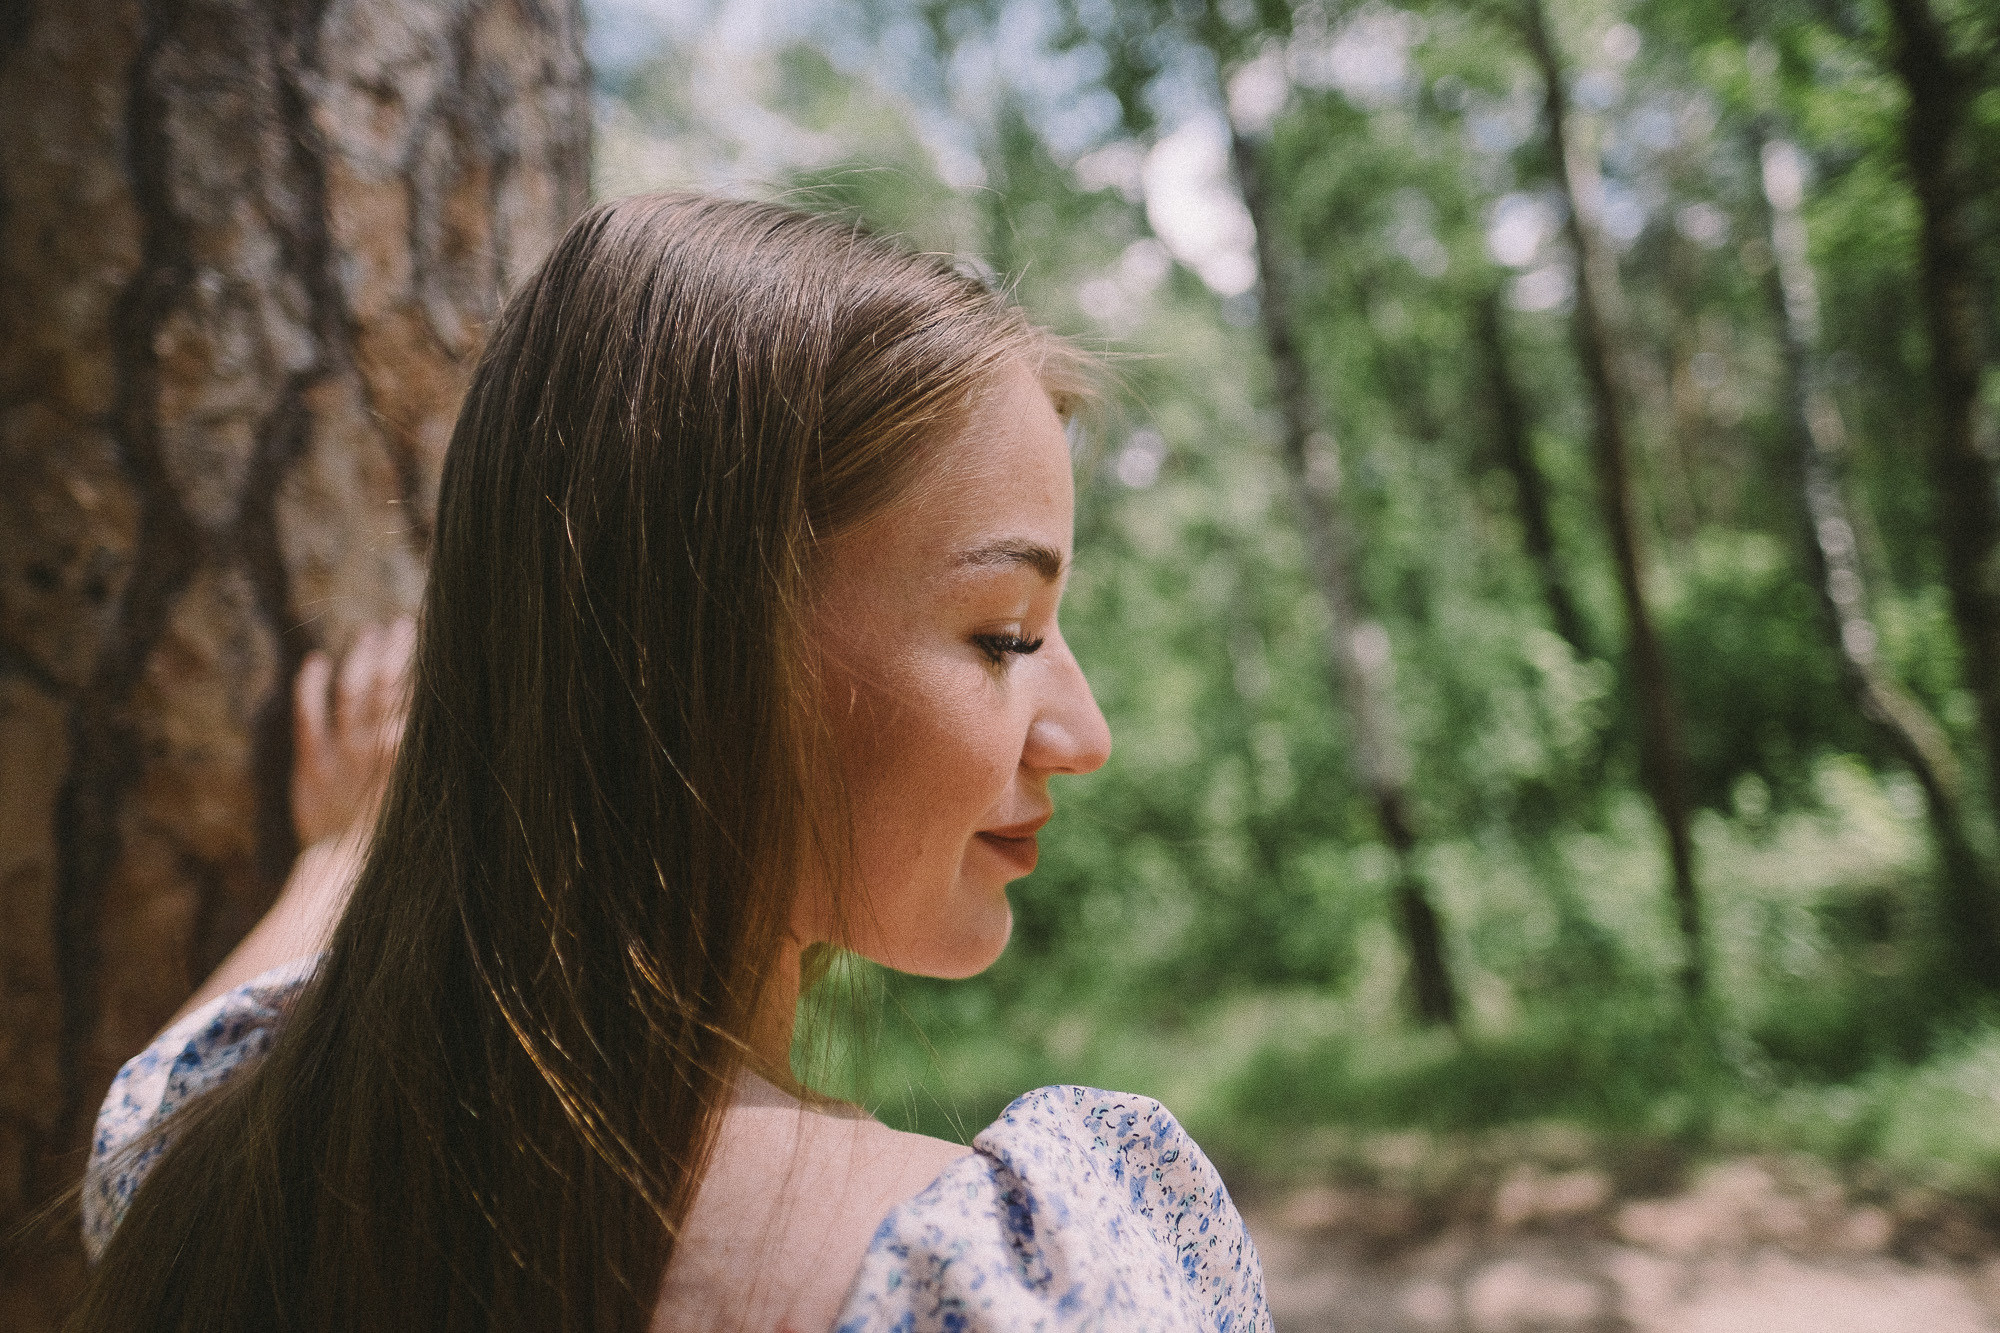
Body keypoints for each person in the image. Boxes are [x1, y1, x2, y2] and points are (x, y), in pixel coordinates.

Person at [73, 194, 1271, 1332]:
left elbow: (175, 1074)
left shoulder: (210, 1177)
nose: (1085, 731)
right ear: (699, 655)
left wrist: (342, 851)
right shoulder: (1027, 1276)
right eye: (1002, 634)